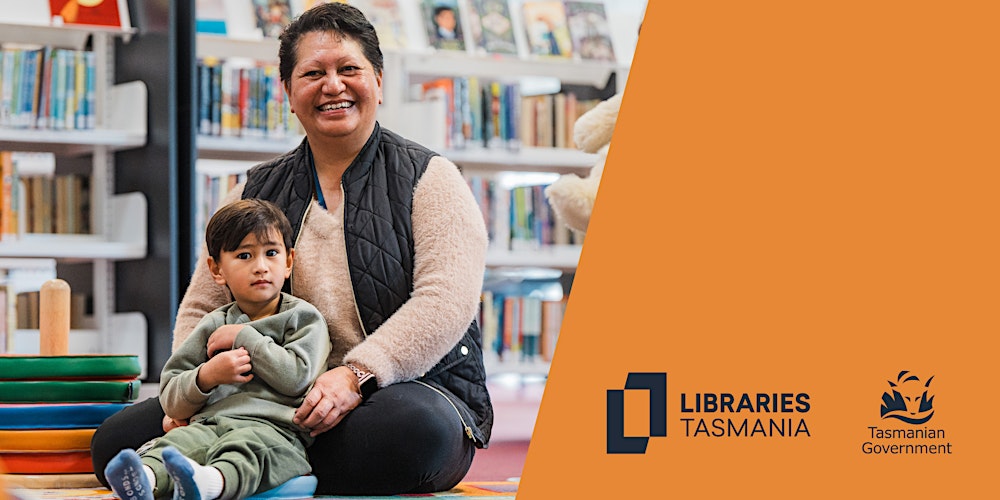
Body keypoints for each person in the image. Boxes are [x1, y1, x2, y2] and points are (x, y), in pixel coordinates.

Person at [92, 2, 493, 496]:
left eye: (350, 69)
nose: (333, 86)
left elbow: (445, 304)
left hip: (395, 392)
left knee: (416, 434)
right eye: (313, 73)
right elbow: (203, 305)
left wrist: (354, 376)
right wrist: (190, 397)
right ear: (287, 92)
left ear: (379, 82)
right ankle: (249, 463)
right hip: (263, 400)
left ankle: (239, 469)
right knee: (115, 442)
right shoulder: (253, 190)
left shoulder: (430, 179)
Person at [104, 199, 331, 500]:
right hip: (211, 424)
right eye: (245, 255)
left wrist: (245, 338)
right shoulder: (214, 324)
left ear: (288, 262)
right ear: (216, 269)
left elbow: (297, 378)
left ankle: (208, 483)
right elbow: (171, 397)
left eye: (271, 253)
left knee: (249, 450)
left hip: (275, 431)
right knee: (177, 444)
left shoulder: (303, 318)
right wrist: (207, 376)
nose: (261, 267)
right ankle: (143, 480)